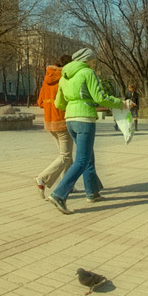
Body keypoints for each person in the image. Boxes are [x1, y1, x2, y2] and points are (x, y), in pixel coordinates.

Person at [48, 48, 131, 215]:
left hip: (70, 120)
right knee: (82, 160)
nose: (94, 63)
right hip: (85, 119)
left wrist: (72, 107)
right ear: (87, 60)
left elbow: (59, 103)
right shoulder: (87, 73)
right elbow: (99, 97)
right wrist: (121, 103)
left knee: (87, 156)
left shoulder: (65, 76)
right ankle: (59, 194)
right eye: (93, 61)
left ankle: (92, 192)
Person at [34, 55, 73, 197]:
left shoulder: (46, 80)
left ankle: (67, 185)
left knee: (66, 155)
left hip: (49, 123)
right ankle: (43, 178)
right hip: (62, 122)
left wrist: (49, 107)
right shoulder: (64, 78)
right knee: (65, 156)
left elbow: (40, 102)